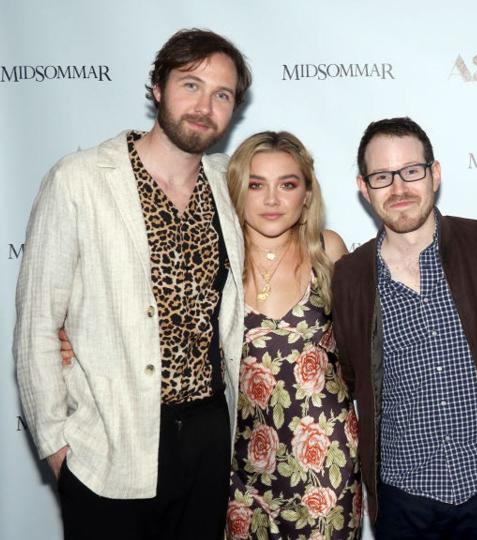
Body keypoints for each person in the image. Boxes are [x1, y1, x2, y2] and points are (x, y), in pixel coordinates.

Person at [14, 29, 252, 538]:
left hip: (210, 438)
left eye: (222, 94)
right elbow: (37, 323)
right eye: (191, 84)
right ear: (157, 88)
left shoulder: (232, 184)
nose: (204, 105)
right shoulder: (80, 179)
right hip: (110, 446)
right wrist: (59, 449)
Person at [331, 117, 477, 539]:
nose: (399, 189)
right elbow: (350, 374)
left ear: (435, 174)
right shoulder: (349, 279)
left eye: (411, 171)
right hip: (403, 501)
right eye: (382, 177)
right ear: (364, 187)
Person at [222, 131, 360, 539]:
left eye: (287, 184)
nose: (271, 200)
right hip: (239, 468)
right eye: (256, 184)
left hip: (327, 467)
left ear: (306, 194)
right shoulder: (219, 262)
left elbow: (371, 338)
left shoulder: (328, 251)